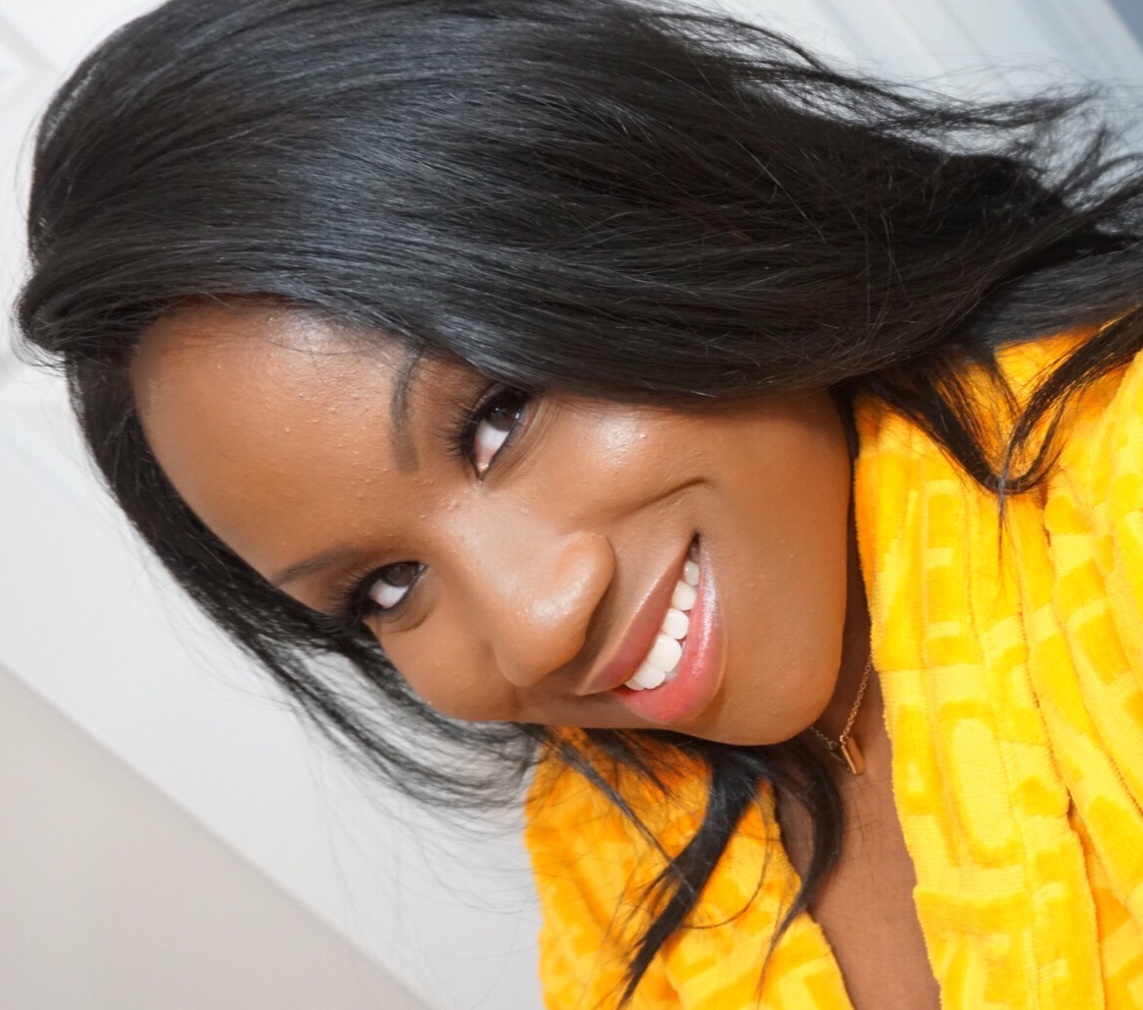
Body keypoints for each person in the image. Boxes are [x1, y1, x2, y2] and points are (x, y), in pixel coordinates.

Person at [16, 0, 1143, 1006]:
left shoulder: (1118, 482)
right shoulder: (610, 862)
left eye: (500, 416)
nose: (534, 625)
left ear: (683, 217)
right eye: (387, 586)